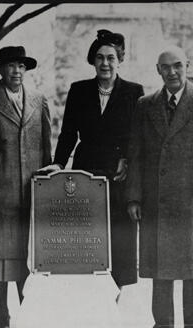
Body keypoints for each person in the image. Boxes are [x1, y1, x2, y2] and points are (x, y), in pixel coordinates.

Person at [126, 45, 193, 328]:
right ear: (158, 71)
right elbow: (136, 154)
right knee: (161, 265)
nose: (172, 72)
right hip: (156, 198)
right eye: (165, 67)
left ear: (187, 65)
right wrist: (134, 197)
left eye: (177, 66)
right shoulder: (145, 105)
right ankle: (163, 325)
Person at [40, 30, 144, 292]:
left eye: (110, 57)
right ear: (93, 61)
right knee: (87, 237)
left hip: (119, 175)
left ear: (119, 60)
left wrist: (127, 159)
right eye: (99, 57)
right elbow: (67, 133)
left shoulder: (134, 92)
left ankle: (118, 296)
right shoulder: (79, 90)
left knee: (119, 238)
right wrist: (59, 164)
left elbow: (138, 134)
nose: (105, 63)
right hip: (85, 172)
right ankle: (89, 297)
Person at [0, 46, 52, 328]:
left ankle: (26, 310)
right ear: (0, 69)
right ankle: (3, 312)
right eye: (10, 66)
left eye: (21, 66)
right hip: (0, 191)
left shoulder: (39, 100)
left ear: (26, 69)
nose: (16, 71)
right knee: (2, 255)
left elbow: (46, 148)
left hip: (32, 191)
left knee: (29, 253)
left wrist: (47, 180)